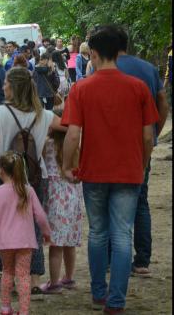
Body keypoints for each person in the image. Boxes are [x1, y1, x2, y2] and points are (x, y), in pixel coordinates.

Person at [60, 25, 157, 313]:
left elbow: (73, 134)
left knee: (99, 233)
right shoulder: (138, 88)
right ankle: (117, 301)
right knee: (122, 234)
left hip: (94, 171)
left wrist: (68, 165)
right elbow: (148, 136)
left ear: (94, 53)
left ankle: (99, 293)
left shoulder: (81, 89)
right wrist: (140, 165)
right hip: (128, 171)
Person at [0, 68, 57, 296]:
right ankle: (33, 278)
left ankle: (9, 273)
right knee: (33, 224)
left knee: (3, 223)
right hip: (35, 175)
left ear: (13, 87)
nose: (3, 86)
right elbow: (69, 125)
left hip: (3, 175)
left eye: (6, 83)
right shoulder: (43, 114)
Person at [115, 29, 168, 279]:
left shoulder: (103, 69)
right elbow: (162, 101)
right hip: (142, 144)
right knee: (140, 200)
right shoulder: (148, 68)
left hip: (113, 143)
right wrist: (156, 131)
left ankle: (110, 259)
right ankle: (142, 260)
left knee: (110, 201)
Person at [0, 151, 52, 315]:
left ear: (0, 171)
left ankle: (6, 308)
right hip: (25, 242)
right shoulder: (28, 191)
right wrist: (46, 232)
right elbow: (41, 216)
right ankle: (24, 311)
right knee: (23, 276)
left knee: (7, 272)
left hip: (5, 243)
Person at [38, 115, 83, 294]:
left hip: (56, 200)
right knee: (69, 243)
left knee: (55, 245)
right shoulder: (76, 149)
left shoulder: (48, 146)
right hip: (73, 198)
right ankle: (69, 277)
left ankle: (54, 282)